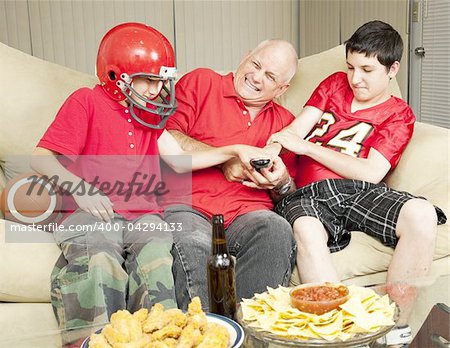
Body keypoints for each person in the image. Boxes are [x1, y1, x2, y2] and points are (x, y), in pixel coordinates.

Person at [30, 22, 264, 329]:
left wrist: (234, 150)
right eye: (148, 81)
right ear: (116, 75)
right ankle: (95, 337)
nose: (156, 90)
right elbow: (40, 159)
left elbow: (179, 161)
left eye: (160, 82)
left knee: (157, 255)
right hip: (91, 210)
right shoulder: (85, 101)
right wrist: (80, 188)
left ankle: (158, 336)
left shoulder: (148, 112)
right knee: (99, 257)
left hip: (143, 214)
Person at [259, 20, 446, 345]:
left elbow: (371, 172)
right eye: (350, 67)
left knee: (422, 214)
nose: (355, 79)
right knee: (305, 229)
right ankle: (342, 334)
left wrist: (309, 148)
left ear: (393, 69)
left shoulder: (399, 114)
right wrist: (273, 151)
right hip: (307, 194)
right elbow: (295, 132)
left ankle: (394, 330)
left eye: (367, 70)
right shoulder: (333, 84)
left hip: (360, 191)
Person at [162, 39, 299, 311]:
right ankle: (206, 336)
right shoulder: (202, 82)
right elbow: (170, 139)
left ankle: (249, 336)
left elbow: (292, 193)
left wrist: (281, 181)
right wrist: (226, 158)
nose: (256, 77)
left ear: (282, 88)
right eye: (255, 65)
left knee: (277, 230)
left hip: (250, 213)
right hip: (189, 206)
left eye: (270, 76)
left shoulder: (286, 123)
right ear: (245, 57)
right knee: (193, 244)